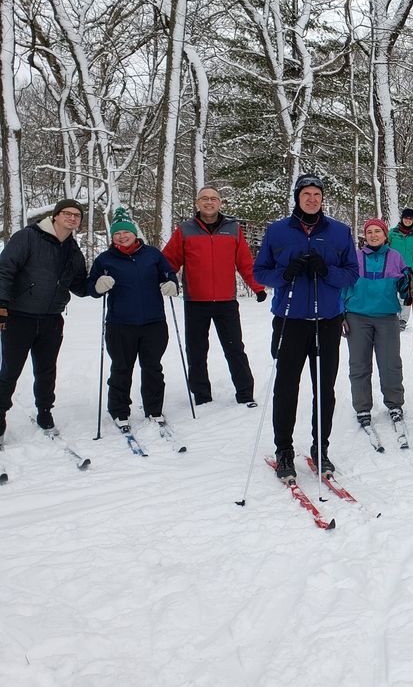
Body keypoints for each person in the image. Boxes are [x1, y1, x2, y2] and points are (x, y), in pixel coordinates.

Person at [253, 175, 358, 479]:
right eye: (306, 194)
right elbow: (260, 272)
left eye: (317, 194)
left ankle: (320, 449)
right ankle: (284, 450)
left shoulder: (339, 232)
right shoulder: (277, 231)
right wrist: (286, 273)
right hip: (290, 320)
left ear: (322, 198)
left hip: (326, 321)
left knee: (324, 389)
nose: (312, 199)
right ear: (297, 197)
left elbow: (352, 274)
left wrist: (327, 271)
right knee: (286, 388)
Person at [162, 186, 266, 408]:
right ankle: (201, 394)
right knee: (197, 350)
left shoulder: (233, 229)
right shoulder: (185, 230)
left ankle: (245, 392)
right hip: (195, 301)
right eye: (204, 199)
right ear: (197, 203)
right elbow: (169, 261)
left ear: (220, 203)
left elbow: (245, 262)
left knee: (234, 348)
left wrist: (257, 287)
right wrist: (165, 279)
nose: (209, 202)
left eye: (213, 199)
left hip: (226, 301)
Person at [0, 199, 88, 436]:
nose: (72, 218)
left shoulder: (72, 249)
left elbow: (79, 284)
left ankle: (45, 411)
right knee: (10, 370)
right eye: (67, 214)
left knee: (47, 370)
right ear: (55, 216)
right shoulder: (28, 237)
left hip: (51, 319)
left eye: (77, 216)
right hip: (19, 317)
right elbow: (5, 269)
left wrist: (98, 286)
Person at [87, 208, 180, 430]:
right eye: (117, 233)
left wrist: (171, 284)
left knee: (152, 368)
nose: (122, 236)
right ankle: (119, 411)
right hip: (120, 324)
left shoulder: (152, 254)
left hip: (154, 322)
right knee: (121, 368)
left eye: (125, 232)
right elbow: (91, 286)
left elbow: (169, 274)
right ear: (112, 237)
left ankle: (154, 409)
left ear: (134, 233)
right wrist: (98, 285)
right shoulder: (105, 259)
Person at [343, 218, 413, 428]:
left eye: (378, 231)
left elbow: (403, 287)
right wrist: (341, 314)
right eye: (370, 232)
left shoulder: (395, 257)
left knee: (390, 363)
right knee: (359, 364)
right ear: (365, 236)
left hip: (387, 317)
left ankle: (394, 403)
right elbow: (344, 288)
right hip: (357, 316)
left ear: (385, 235)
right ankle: (362, 407)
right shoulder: (355, 258)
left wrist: (408, 286)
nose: (373, 235)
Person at [387, 207, 413, 332]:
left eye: (410, 219)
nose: (408, 220)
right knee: (391, 292)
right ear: (402, 218)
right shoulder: (392, 232)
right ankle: (392, 317)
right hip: (392, 267)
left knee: (408, 293)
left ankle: (402, 320)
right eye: (406, 218)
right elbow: (385, 247)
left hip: (408, 268)